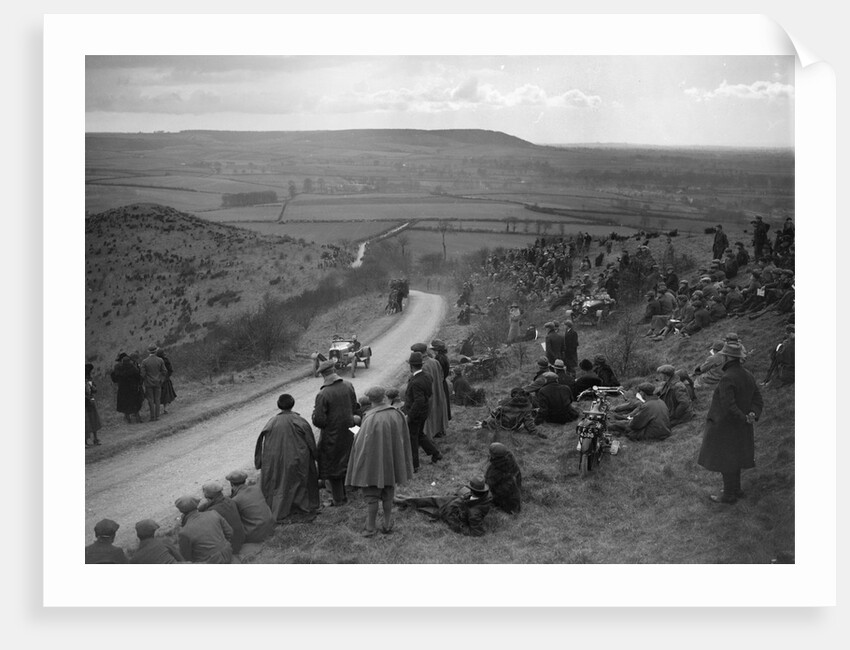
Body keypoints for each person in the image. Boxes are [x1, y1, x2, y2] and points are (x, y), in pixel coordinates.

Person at [697, 341, 764, 504]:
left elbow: (728, 405)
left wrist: (742, 416)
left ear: (727, 357)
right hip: (742, 426)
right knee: (736, 458)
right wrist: (751, 415)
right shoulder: (747, 374)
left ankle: (728, 495)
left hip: (726, 426)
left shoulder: (727, 378)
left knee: (726, 460)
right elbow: (757, 398)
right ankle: (736, 490)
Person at [346, 386, 415, 537]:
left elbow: (361, 443)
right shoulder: (397, 414)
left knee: (372, 495)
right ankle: (387, 523)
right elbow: (403, 438)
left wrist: (356, 436)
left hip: (374, 462)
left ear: (370, 400)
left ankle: (370, 527)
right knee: (389, 491)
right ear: (384, 397)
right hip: (391, 460)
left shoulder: (370, 418)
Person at [255, 393, 320, 522]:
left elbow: (260, 441)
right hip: (297, 458)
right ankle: (300, 506)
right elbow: (310, 441)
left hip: (275, 459)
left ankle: (281, 508)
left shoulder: (272, 422)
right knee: (299, 482)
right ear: (292, 404)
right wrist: (315, 455)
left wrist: (260, 461)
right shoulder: (300, 421)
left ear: (279, 405)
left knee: (279, 483)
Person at [312, 359, 359, 506]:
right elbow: (355, 407)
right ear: (334, 371)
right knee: (347, 459)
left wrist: (314, 414)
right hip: (350, 430)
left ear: (323, 375)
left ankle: (339, 499)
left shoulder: (323, 394)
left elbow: (319, 421)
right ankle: (348, 490)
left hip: (332, 435)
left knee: (332, 466)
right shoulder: (348, 385)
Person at [395, 478, 493, 537]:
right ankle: (407, 499)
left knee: (425, 509)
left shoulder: (474, 513)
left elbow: (477, 532)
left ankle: (405, 503)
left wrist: (457, 526)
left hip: (450, 513)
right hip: (453, 501)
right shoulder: (485, 495)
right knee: (431, 499)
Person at [403, 351, 443, 472]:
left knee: (412, 438)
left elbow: (418, 401)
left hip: (415, 414)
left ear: (411, 366)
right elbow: (429, 394)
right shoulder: (427, 376)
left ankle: (414, 465)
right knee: (419, 434)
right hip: (424, 412)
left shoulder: (415, 381)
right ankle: (435, 453)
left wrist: (409, 415)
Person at [175, 495, 234, 564]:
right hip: (227, 552)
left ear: (181, 510)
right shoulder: (213, 513)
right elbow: (230, 532)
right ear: (196, 505)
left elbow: (186, 556)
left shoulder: (184, 532)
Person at [224, 470, 275, 543]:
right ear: (244, 481)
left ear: (231, 484)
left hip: (255, 534)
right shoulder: (256, 489)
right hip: (270, 527)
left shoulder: (236, 500)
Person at [412, 343, 450, 439]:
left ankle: (429, 434)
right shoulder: (435, 361)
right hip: (438, 389)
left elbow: (422, 382)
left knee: (430, 413)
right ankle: (439, 431)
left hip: (429, 392)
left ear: (418, 353)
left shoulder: (423, 366)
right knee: (439, 409)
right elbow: (442, 376)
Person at [198, 481, 245, 554]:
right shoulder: (229, 500)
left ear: (207, 496)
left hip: (230, 546)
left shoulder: (212, 512)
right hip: (241, 538)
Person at [480, 387, 546, 439]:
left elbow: (494, 414)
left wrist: (495, 410)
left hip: (500, 425)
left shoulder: (505, 402)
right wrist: (535, 432)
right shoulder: (527, 406)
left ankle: (483, 424)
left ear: (512, 394)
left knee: (491, 418)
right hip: (513, 427)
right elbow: (528, 421)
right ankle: (484, 424)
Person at [484, 443, 522, 514]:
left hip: (508, 504)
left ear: (494, 456)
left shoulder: (494, 472)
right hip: (516, 496)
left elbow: (487, 486)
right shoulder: (511, 461)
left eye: (490, 453)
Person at [110, 353, 143, 423]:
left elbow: (114, 379)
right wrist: (139, 384)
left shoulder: (119, 369)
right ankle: (138, 418)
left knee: (125, 404)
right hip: (132, 389)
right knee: (135, 403)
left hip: (123, 389)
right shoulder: (133, 368)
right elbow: (139, 377)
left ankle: (128, 419)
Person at [139, 344, 168, 421]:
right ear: (155, 351)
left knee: (150, 400)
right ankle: (157, 416)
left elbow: (142, 374)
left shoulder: (144, 361)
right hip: (158, 382)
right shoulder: (160, 360)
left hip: (148, 383)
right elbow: (164, 371)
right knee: (157, 400)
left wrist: (145, 380)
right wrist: (161, 379)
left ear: (149, 351)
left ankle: (152, 417)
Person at [429, 339, 453, 432]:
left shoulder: (439, 359)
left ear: (437, 350)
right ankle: (441, 428)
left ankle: (439, 429)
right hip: (443, 383)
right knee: (442, 405)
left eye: (433, 349)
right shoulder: (443, 357)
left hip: (440, 383)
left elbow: (439, 373)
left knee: (439, 406)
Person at [85, 363, 102, 447]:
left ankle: (91, 440)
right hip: (88, 400)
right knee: (90, 420)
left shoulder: (89, 380)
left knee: (89, 420)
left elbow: (93, 390)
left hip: (89, 400)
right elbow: (93, 390)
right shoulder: (88, 380)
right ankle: (93, 439)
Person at [156, 348, 177, 414]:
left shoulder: (155, 360)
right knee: (166, 395)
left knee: (158, 395)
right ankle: (165, 409)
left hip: (157, 379)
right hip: (165, 379)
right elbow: (170, 370)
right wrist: (167, 376)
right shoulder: (165, 360)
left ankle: (157, 410)